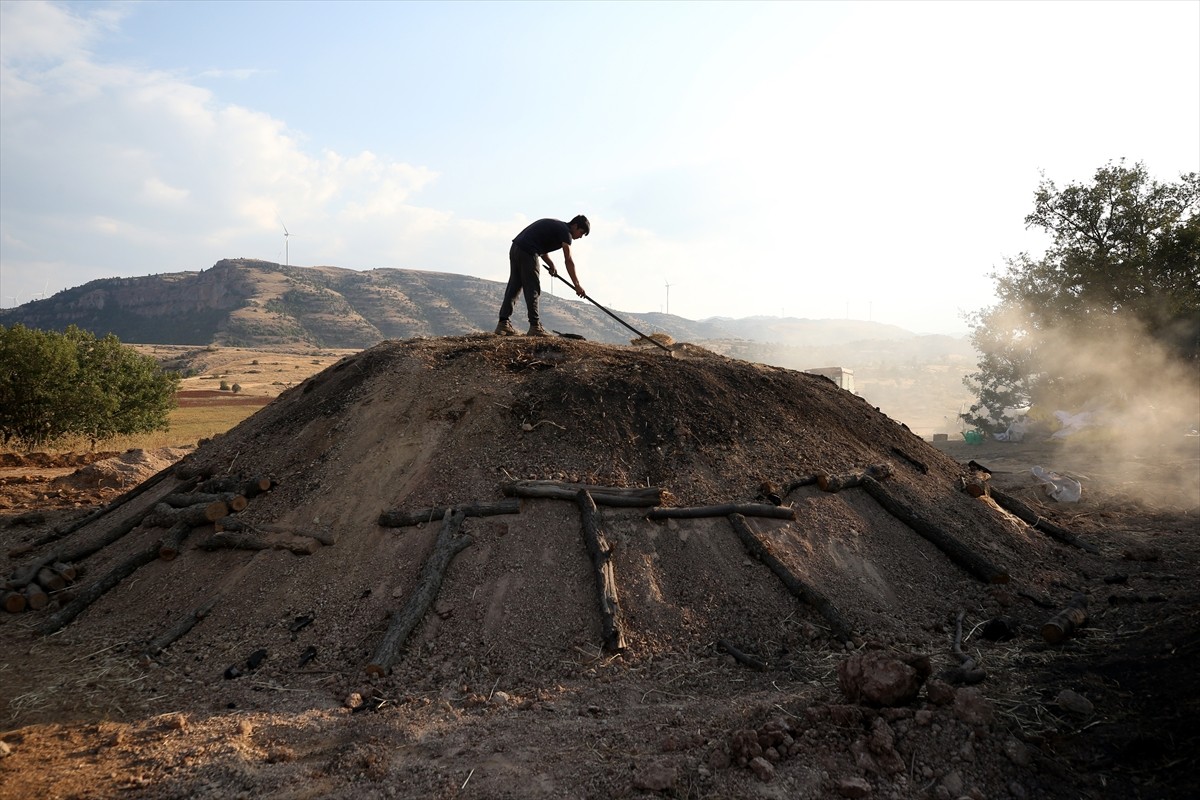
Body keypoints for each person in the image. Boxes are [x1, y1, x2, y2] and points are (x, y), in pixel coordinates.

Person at [495, 214, 589, 337]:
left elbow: (542, 249)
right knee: (532, 288)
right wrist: (577, 285)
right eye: (581, 233)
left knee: (515, 286)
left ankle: (503, 323)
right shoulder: (566, 233)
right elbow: (568, 259)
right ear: (575, 226)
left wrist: (551, 265)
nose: (580, 237)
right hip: (528, 251)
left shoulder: (557, 227)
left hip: (516, 248)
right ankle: (535, 326)